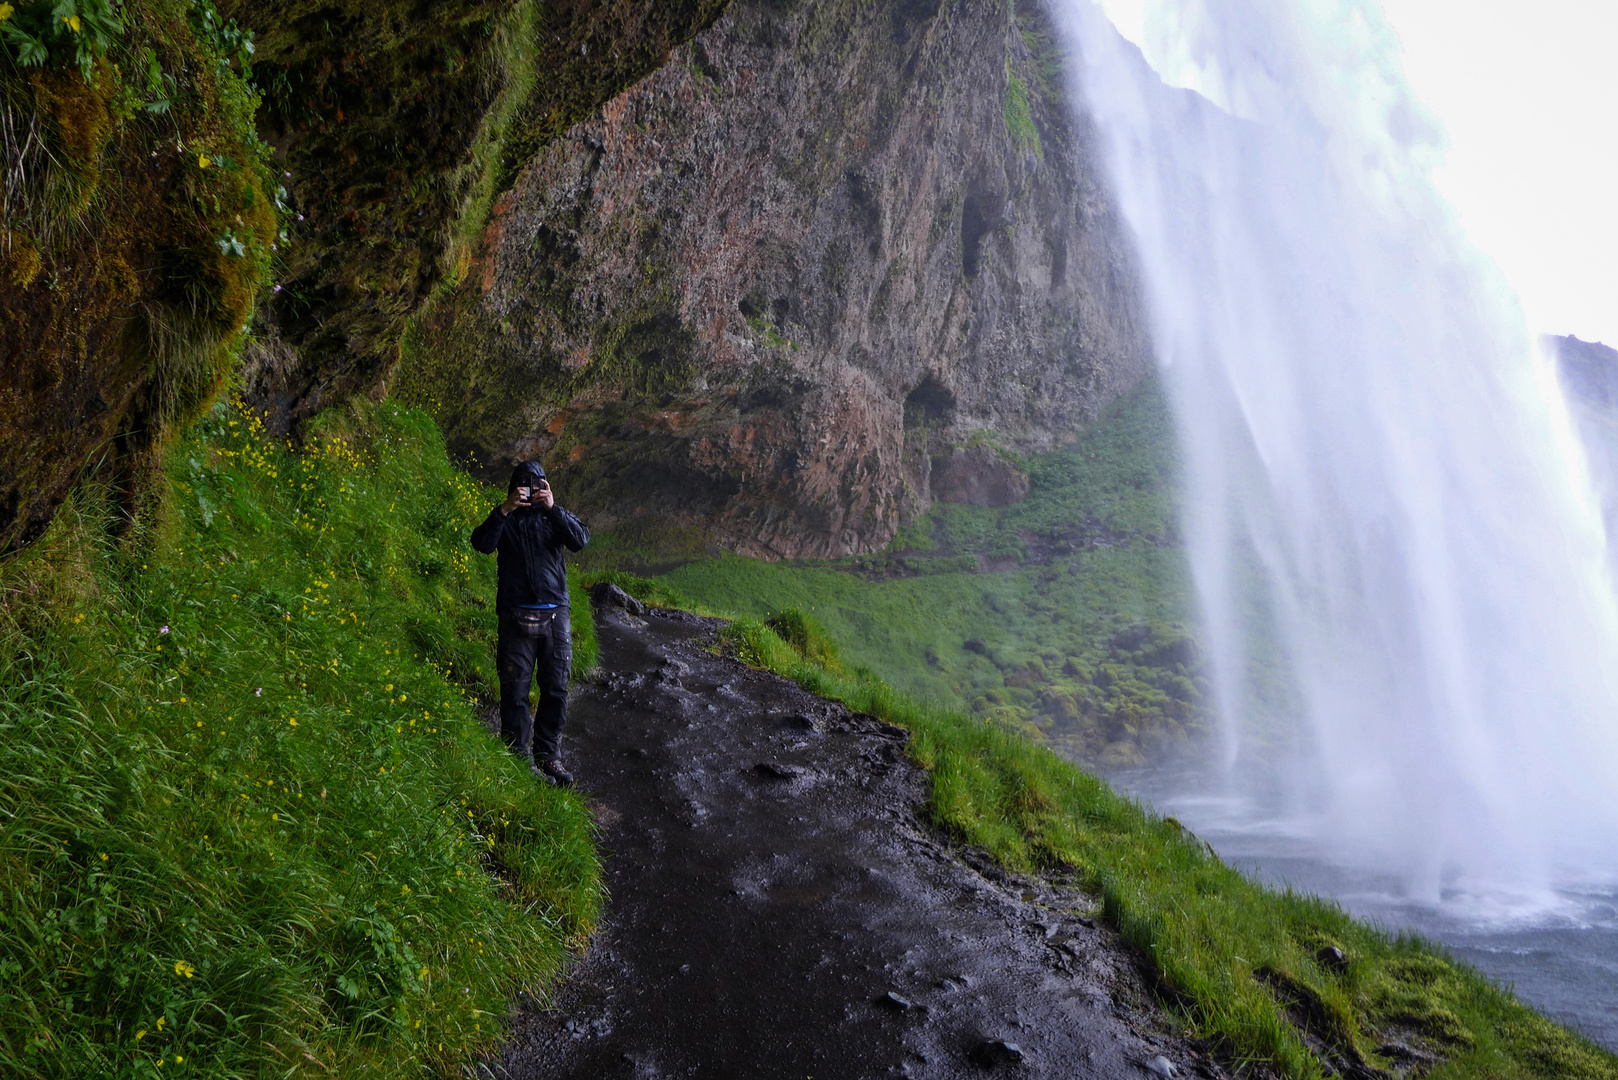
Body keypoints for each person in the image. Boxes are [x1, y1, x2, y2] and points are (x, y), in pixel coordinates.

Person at [469, 460, 590, 785]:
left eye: (537, 484)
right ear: (513, 487)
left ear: (545, 486)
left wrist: (553, 508)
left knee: (555, 688)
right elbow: (481, 543)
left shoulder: (554, 517)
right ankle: (519, 756)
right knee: (515, 688)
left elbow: (580, 540)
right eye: (523, 484)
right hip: (514, 613)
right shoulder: (505, 518)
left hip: (556, 614)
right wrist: (505, 509)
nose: (530, 490)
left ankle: (549, 756)